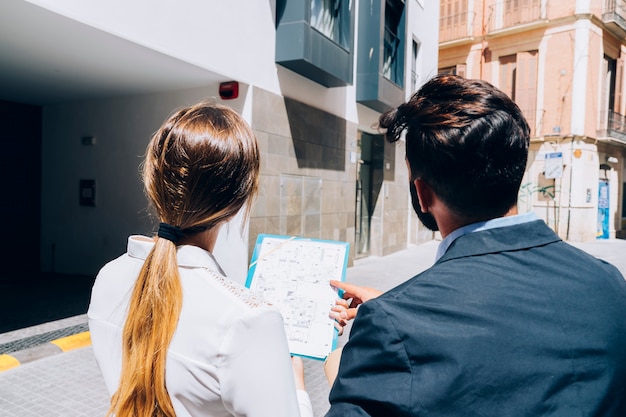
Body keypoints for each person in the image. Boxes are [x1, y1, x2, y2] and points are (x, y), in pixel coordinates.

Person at [326, 74, 626, 416]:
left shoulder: (391, 326)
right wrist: (395, 307)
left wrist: (338, 367)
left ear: (422, 193)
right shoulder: (610, 283)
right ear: (516, 172)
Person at [87, 102, 313, 417]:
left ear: (153, 184)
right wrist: (299, 390)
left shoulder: (109, 277)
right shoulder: (250, 320)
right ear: (238, 202)